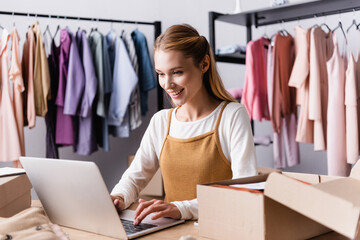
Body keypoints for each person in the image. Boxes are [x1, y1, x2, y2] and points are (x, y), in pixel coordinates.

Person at [110, 24, 257, 225]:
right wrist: (118, 197)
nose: (167, 84)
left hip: (219, 231)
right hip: (172, 232)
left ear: (204, 64)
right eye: (161, 74)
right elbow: (134, 178)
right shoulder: (161, 121)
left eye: (177, 72)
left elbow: (244, 191)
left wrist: (182, 208)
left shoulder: (231, 116)